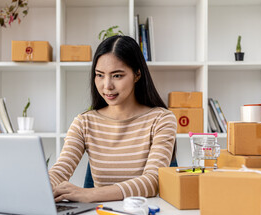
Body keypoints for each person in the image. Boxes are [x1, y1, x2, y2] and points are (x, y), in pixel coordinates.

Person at [49, 35, 177, 203]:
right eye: (100, 75)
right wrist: (44, 187)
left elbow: (152, 181)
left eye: (117, 76)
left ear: (137, 74)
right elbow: (60, 172)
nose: (106, 85)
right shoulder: (84, 123)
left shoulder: (161, 119)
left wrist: (89, 194)